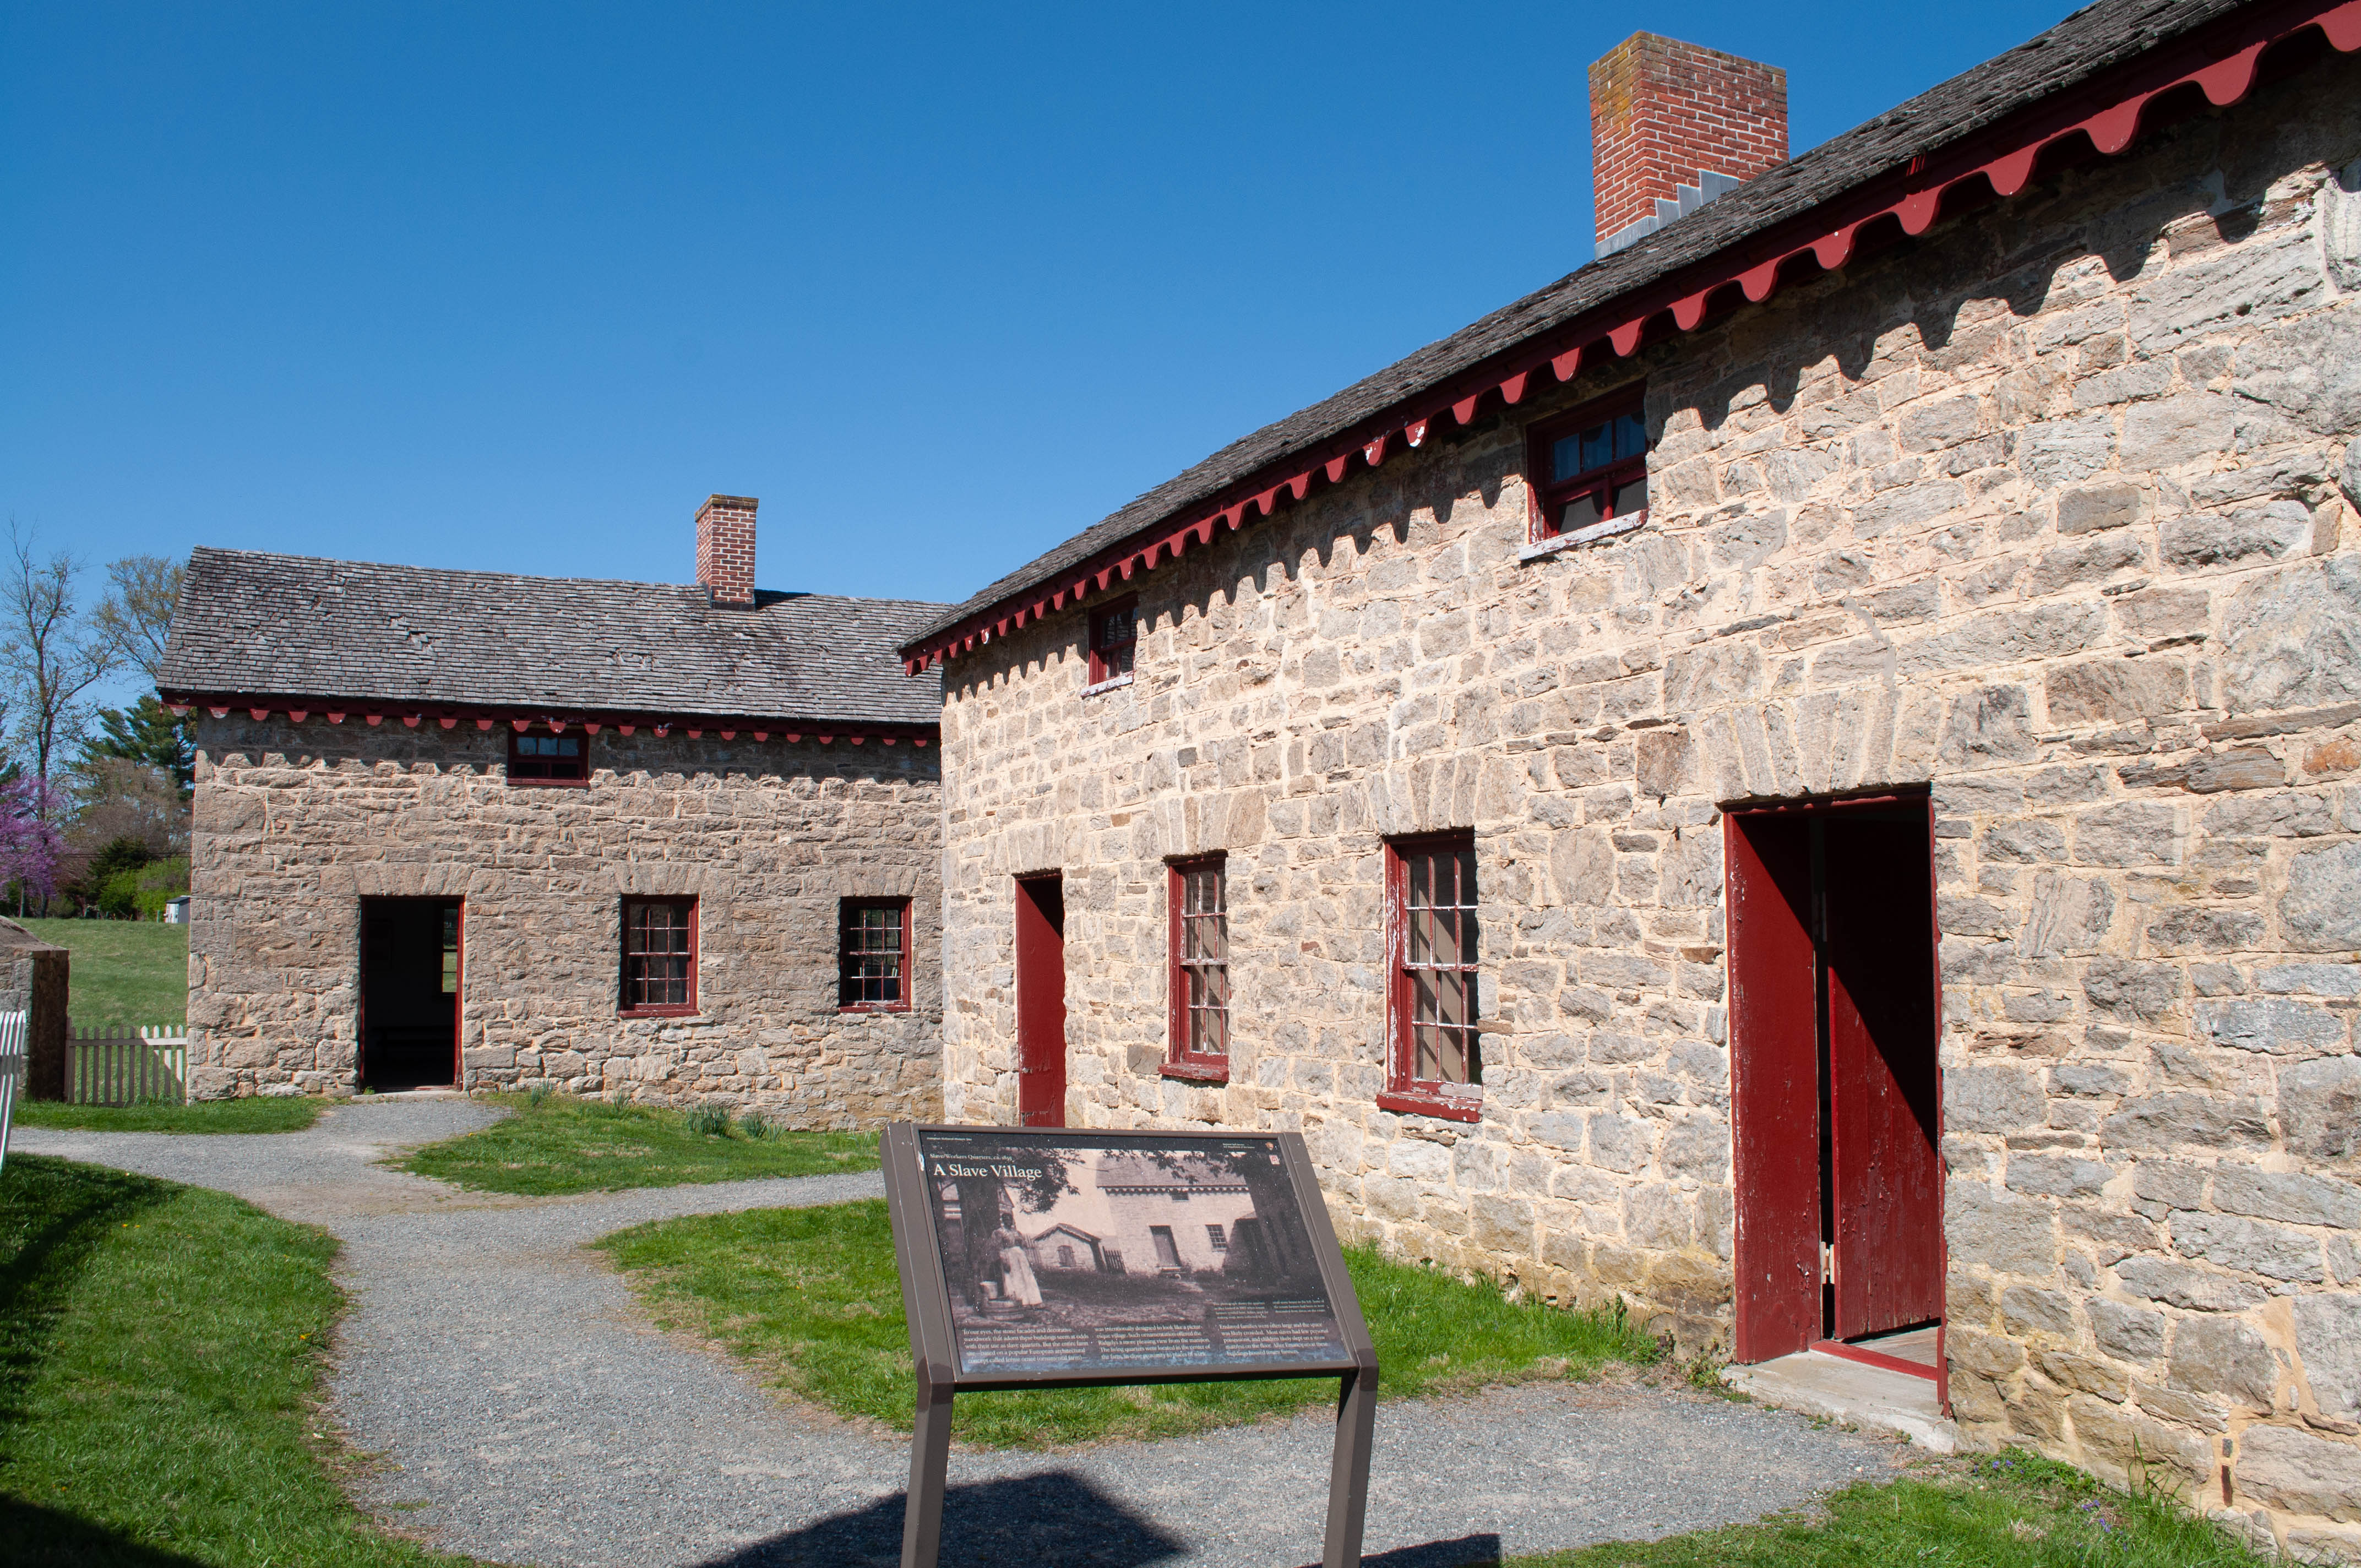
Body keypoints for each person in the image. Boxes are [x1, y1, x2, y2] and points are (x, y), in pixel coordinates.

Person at [992, 1222, 1042, 1308]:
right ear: (1003, 1220)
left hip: (1021, 1255)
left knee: (1027, 1276)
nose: (1008, 1220)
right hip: (1010, 1255)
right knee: (1016, 1278)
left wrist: (1027, 1258)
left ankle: (1034, 1301)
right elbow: (1000, 1248)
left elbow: (1023, 1246)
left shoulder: (1017, 1233)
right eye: (1006, 1218)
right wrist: (1004, 1260)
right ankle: (1022, 1301)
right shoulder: (999, 1232)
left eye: (1010, 1218)